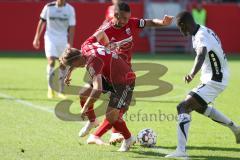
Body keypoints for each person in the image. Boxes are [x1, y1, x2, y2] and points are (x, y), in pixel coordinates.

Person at [78, 1, 174, 145]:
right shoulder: (105, 29)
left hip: (122, 74)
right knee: (84, 93)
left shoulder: (130, 23)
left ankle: (104, 135)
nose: (125, 22)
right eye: (122, 18)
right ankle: (93, 122)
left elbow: (148, 22)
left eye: (127, 18)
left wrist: (162, 22)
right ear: (115, 15)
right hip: (105, 71)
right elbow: (91, 44)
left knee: (117, 110)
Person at [165, 11, 240, 158]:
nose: (180, 31)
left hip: (215, 79)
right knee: (200, 108)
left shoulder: (200, 36)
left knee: (183, 106)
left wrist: (192, 73)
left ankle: (181, 151)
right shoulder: (203, 30)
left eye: (180, 28)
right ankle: (236, 129)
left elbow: (201, 53)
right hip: (215, 77)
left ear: (183, 25)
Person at [59, 36, 136, 152]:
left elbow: (98, 89)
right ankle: (92, 121)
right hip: (110, 76)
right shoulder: (85, 46)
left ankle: (129, 138)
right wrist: (69, 73)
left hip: (123, 82)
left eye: (71, 65)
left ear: (75, 61)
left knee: (111, 116)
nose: (73, 67)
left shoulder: (93, 63)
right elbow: (99, 33)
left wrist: (85, 108)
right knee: (84, 93)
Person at [33, 0, 76, 99]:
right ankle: (50, 87)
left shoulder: (70, 9)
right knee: (51, 61)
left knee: (63, 64)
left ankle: (61, 90)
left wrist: (70, 43)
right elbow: (42, 21)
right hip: (50, 38)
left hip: (63, 39)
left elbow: (72, 27)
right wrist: (36, 38)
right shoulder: (48, 7)